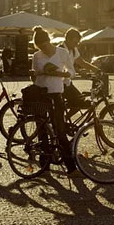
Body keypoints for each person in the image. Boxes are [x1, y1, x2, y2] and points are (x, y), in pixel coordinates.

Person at [31, 26, 78, 174]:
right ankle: (44, 164)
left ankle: (71, 168)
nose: (43, 49)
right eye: (40, 47)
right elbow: (33, 76)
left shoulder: (62, 53)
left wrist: (63, 75)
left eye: (44, 46)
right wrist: (39, 72)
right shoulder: (36, 56)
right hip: (40, 94)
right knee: (42, 129)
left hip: (56, 93)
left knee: (60, 130)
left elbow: (72, 72)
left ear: (48, 41)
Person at [61, 28, 100, 114]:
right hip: (59, 84)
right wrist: (78, 71)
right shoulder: (60, 50)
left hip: (67, 83)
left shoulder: (74, 50)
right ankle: (60, 124)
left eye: (78, 42)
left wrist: (96, 70)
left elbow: (82, 62)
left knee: (79, 102)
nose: (76, 45)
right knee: (79, 102)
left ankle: (64, 122)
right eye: (75, 42)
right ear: (68, 39)